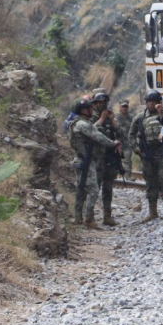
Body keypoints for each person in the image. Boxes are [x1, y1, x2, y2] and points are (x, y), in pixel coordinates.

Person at [67, 98, 120, 229]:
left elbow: (93, 130)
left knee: (81, 189)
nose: (91, 110)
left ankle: (78, 218)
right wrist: (112, 143)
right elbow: (97, 136)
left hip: (81, 159)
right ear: (83, 110)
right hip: (86, 161)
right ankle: (88, 219)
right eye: (89, 108)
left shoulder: (78, 123)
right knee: (94, 190)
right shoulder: (83, 124)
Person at [130, 91, 163, 220]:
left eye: (153, 101)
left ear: (159, 102)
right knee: (150, 182)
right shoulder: (140, 118)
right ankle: (152, 211)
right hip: (147, 154)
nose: (150, 104)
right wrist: (137, 149)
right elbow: (131, 134)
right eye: (148, 101)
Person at [91, 90, 122, 226]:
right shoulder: (91, 117)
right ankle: (89, 217)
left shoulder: (110, 118)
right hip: (97, 159)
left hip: (110, 158)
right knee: (94, 188)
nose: (102, 105)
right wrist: (102, 119)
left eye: (104, 102)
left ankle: (107, 216)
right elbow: (91, 131)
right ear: (94, 104)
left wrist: (113, 120)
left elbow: (122, 134)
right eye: (99, 102)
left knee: (108, 188)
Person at [115, 99, 134, 176]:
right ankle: (115, 176)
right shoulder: (115, 117)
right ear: (119, 107)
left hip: (127, 142)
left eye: (126, 106)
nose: (124, 108)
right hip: (117, 142)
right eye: (123, 106)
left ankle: (127, 176)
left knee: (127, 160)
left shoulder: (131, 118)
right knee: (116, 159)